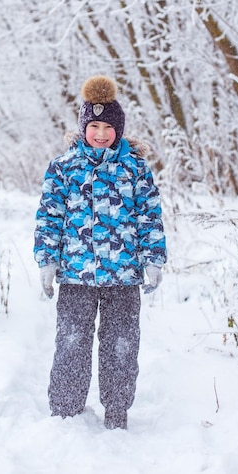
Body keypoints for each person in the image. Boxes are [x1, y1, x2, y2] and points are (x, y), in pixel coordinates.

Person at [34, 74, 167, 430]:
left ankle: (117, 410)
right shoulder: (64, 168)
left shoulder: (135, 168)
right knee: (72, 343)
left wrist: (153, 259)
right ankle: (65, 412)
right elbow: (49, 216)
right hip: (76, 275)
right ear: (83, 127)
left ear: (118, 129)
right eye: (94, 125)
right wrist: (47, 261)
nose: (101, 133)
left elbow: (149, 217)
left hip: (123, 277)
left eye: (108, 126)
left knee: (122, 346)